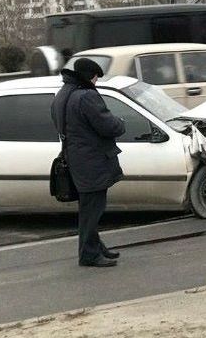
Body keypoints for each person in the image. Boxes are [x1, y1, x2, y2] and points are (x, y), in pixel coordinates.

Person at [51, 58, 126, 267]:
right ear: (90, 77)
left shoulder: (62, 95)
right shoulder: (86, 97)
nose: (96, 83)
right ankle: (89, 254)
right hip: (92, 161)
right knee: (92, 210)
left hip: (75, 159)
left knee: (88, 208)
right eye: (95, 78)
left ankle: (97, 248)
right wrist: (121, 123)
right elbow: (108, 126)